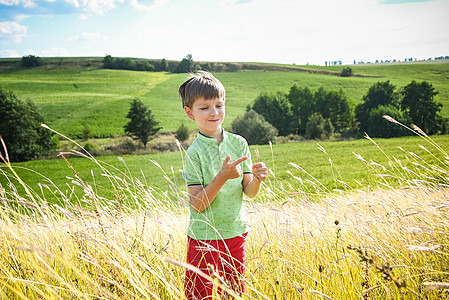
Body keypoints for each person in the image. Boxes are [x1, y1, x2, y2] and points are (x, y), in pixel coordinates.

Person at [179, 71, 268, 299]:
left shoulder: (239, 144)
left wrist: (257, 179)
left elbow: (249, 192)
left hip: (235, 232)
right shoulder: (194, 153)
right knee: (200, 295)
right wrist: (222, 177)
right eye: (205, 107)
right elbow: (198, 204)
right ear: (190, 113)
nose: (214, 112)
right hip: (203, 237)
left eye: (219, 105)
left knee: (235, 293)